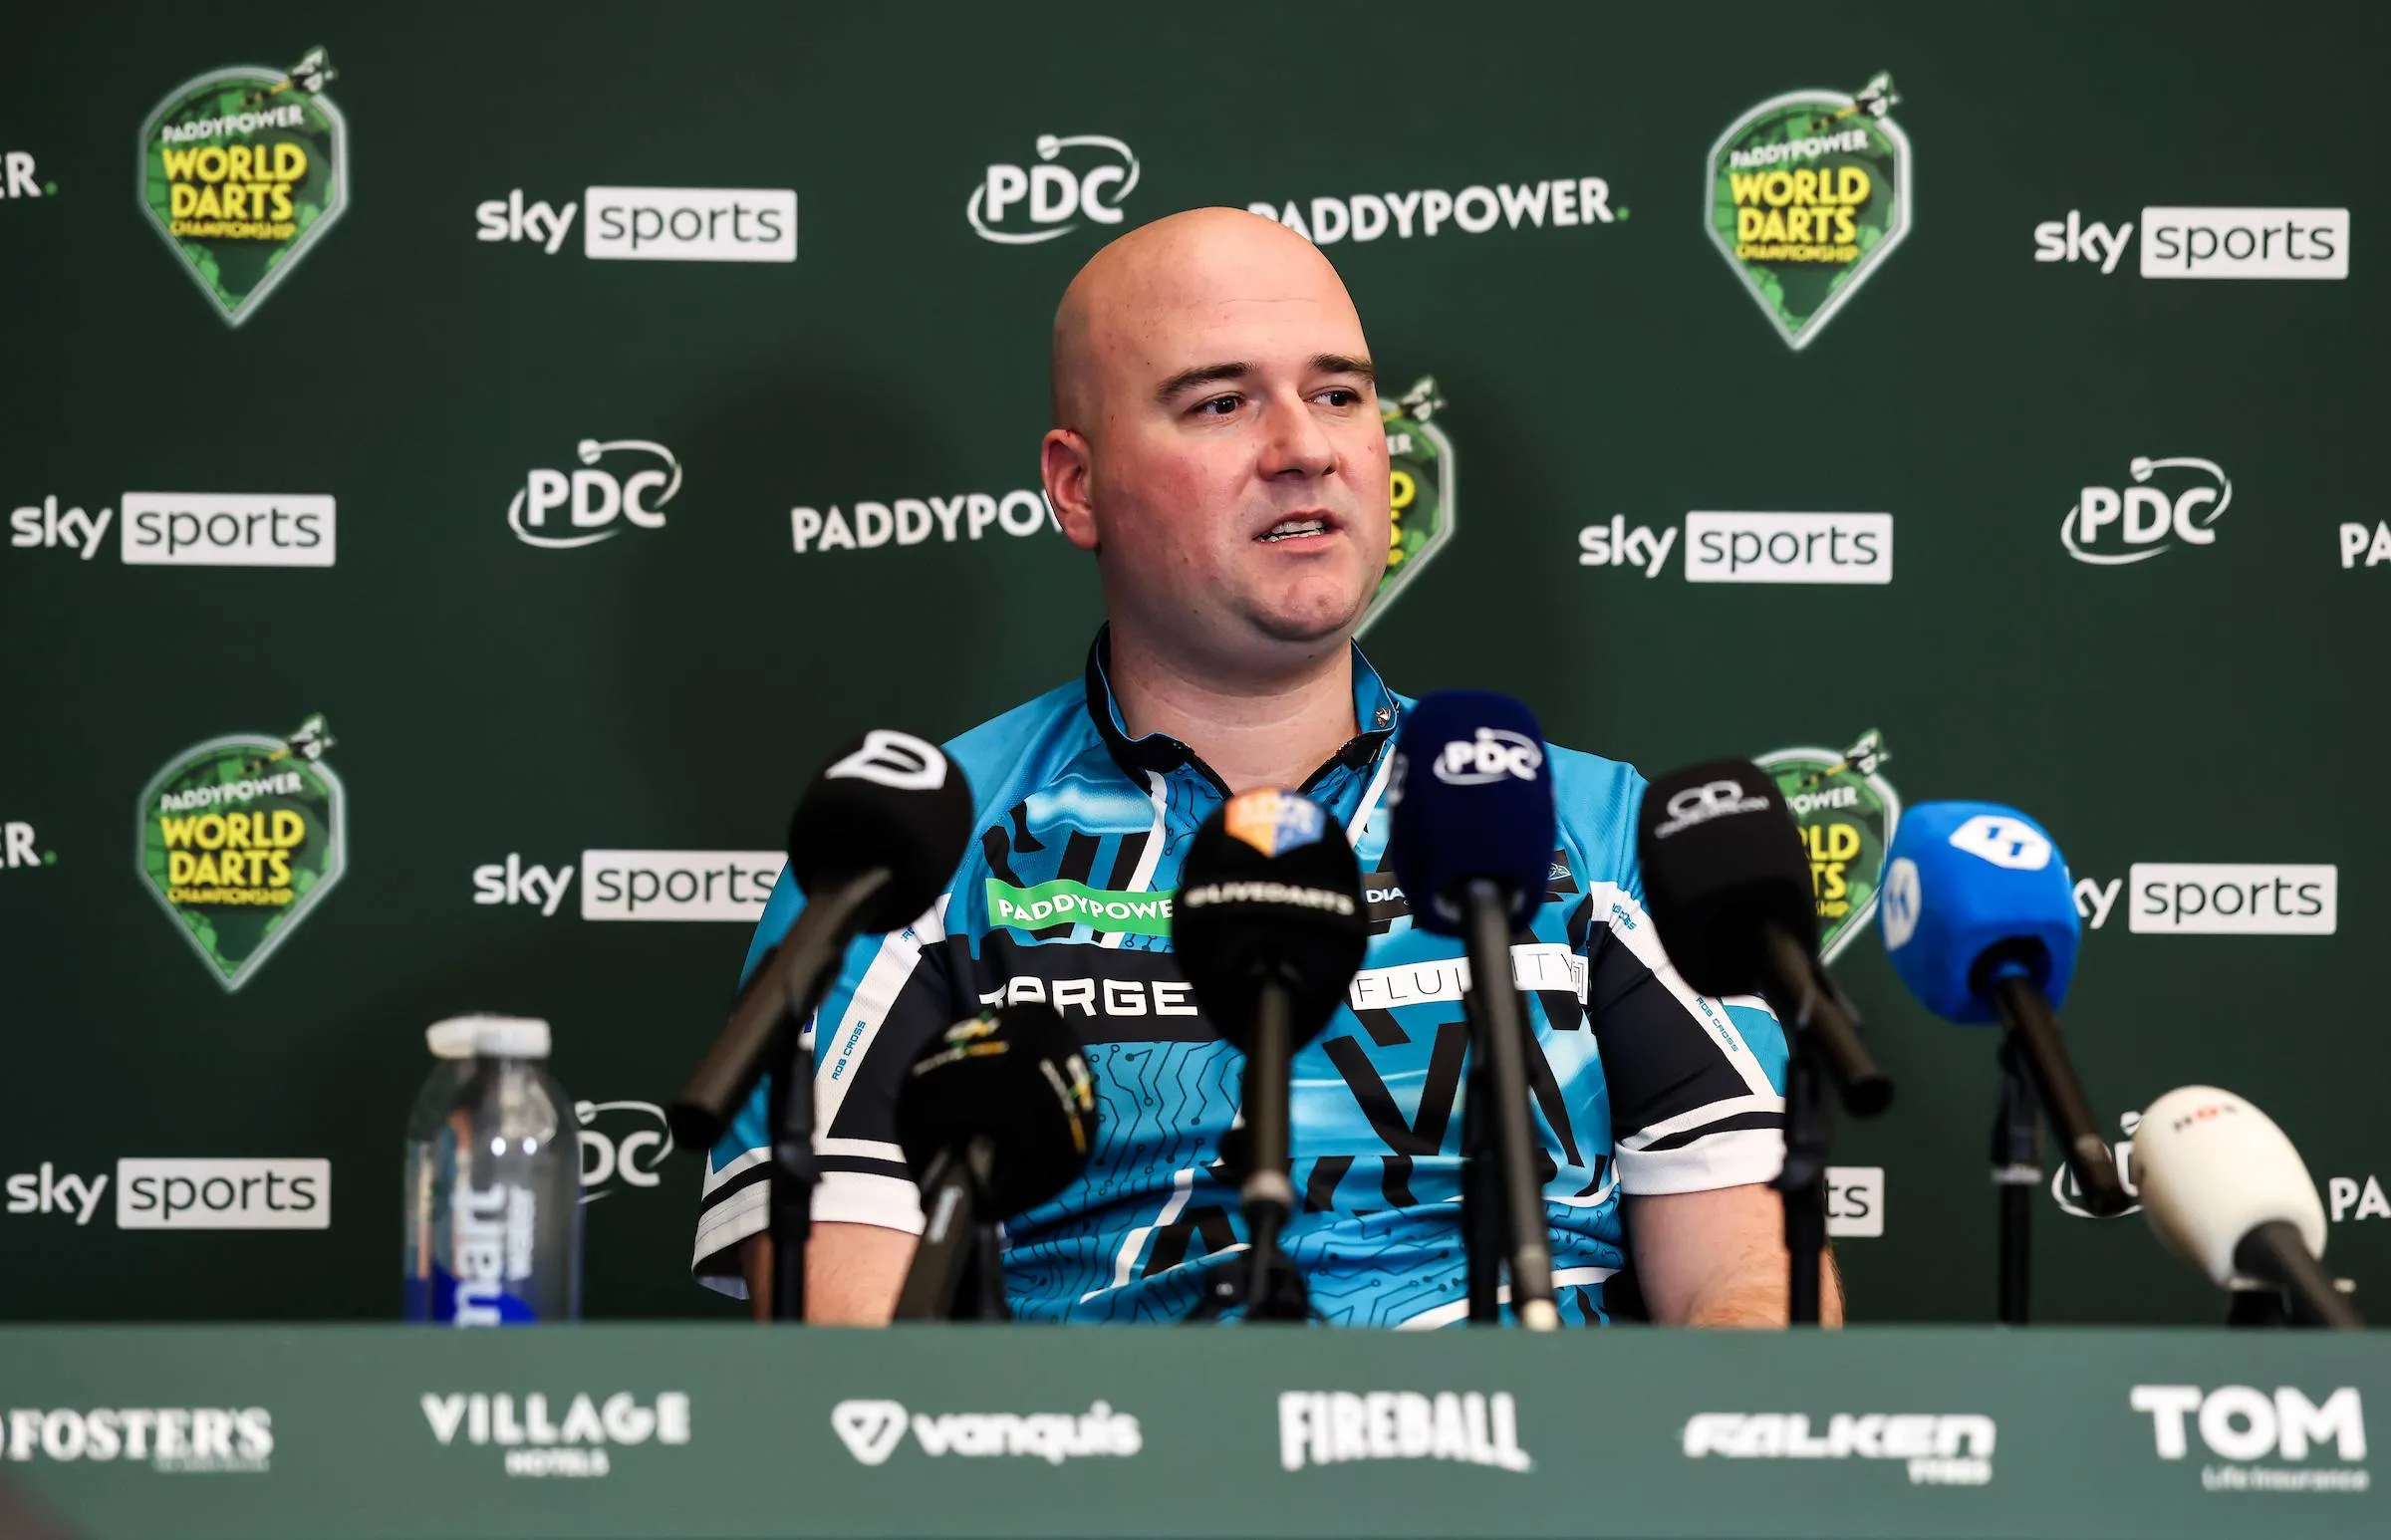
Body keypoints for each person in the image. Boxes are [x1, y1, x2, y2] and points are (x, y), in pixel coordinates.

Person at [691, 207, 1838, 1327]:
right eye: (1221, 402)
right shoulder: (918, 857)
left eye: (1339, 394)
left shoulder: (1591, 827)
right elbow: (852, 1355)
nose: (1305, 448)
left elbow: (1752, 1292)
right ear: (1078, 486)